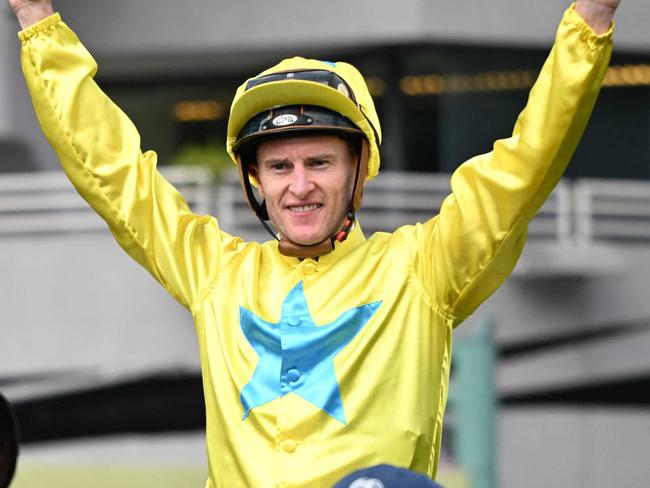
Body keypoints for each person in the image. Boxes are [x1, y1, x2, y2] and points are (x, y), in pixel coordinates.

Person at [8, 0, 621, 486]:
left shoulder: (422, 269)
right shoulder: (214, 271)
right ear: (255, 180)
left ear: (360, 167)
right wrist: (36, 18)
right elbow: (113, 171)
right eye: (279, 168)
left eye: (320, 161)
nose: (299, 186)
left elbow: (525, 167)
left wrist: (589, 22)